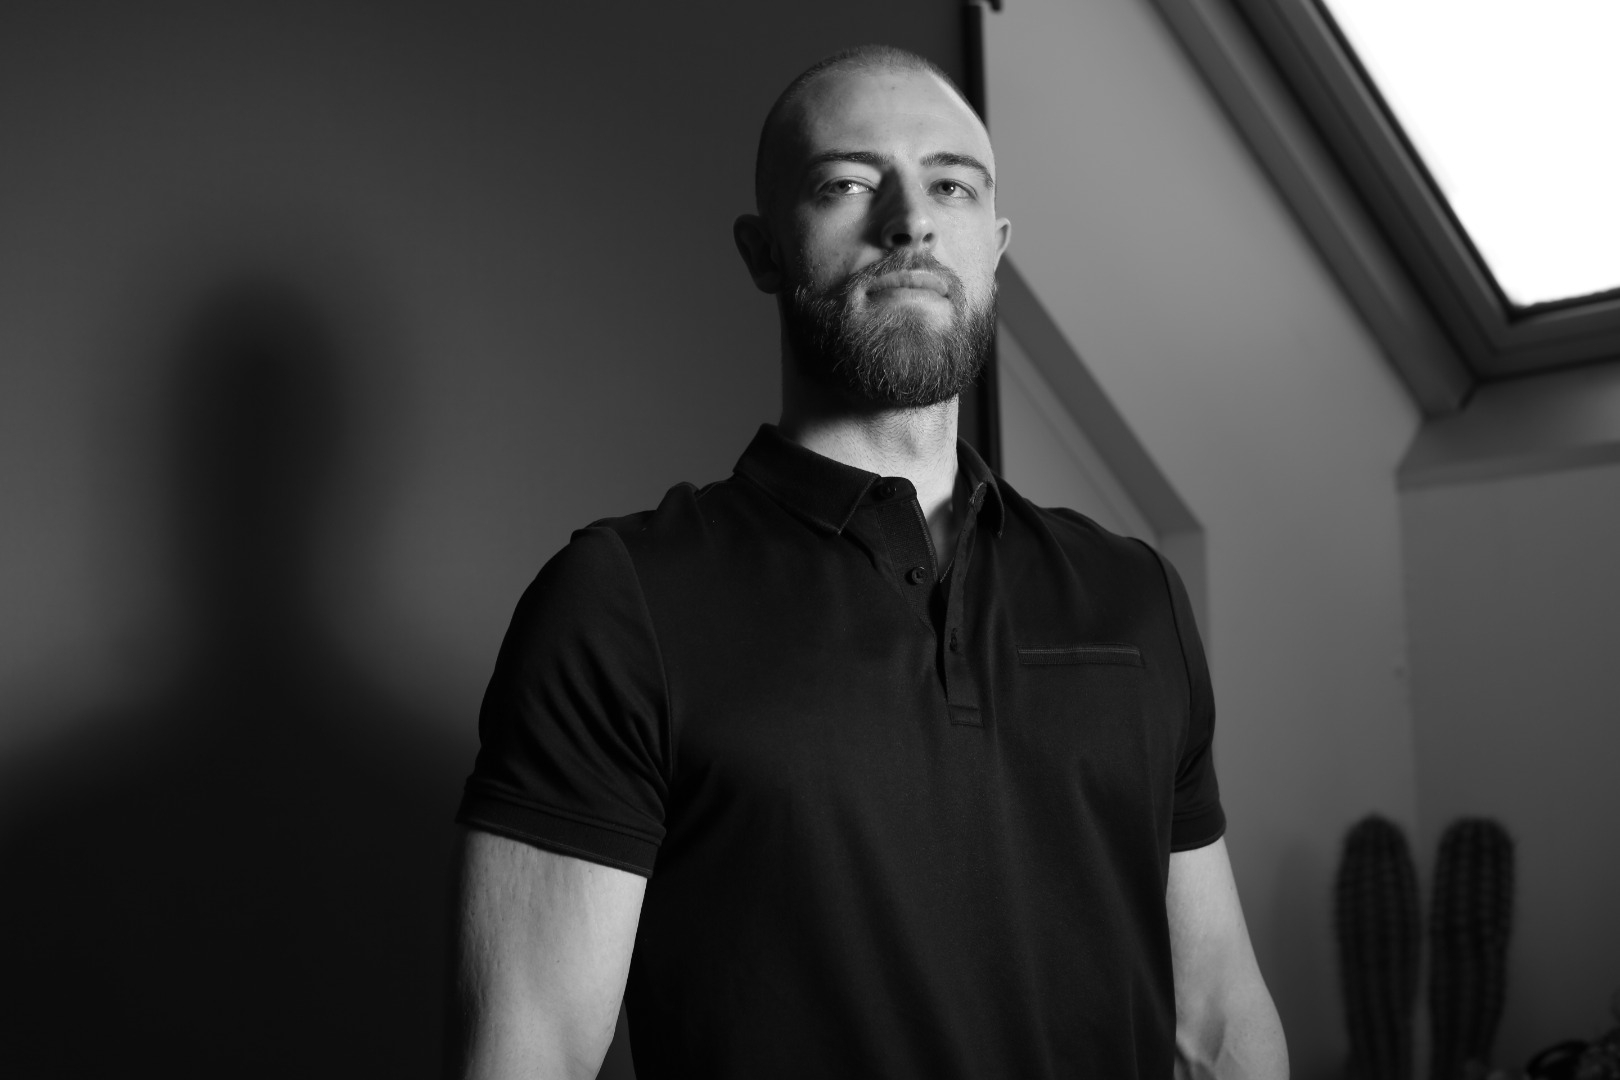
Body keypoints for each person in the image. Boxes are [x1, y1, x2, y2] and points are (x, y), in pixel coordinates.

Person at [446, 44, 1288, 1080]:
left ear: (995, 245)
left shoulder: (1133, 594)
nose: (910, 221)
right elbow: (527, 1055)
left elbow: (1218, 1023)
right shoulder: (623, 603)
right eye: (847, 184)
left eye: (952, 186)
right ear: (764, 251)